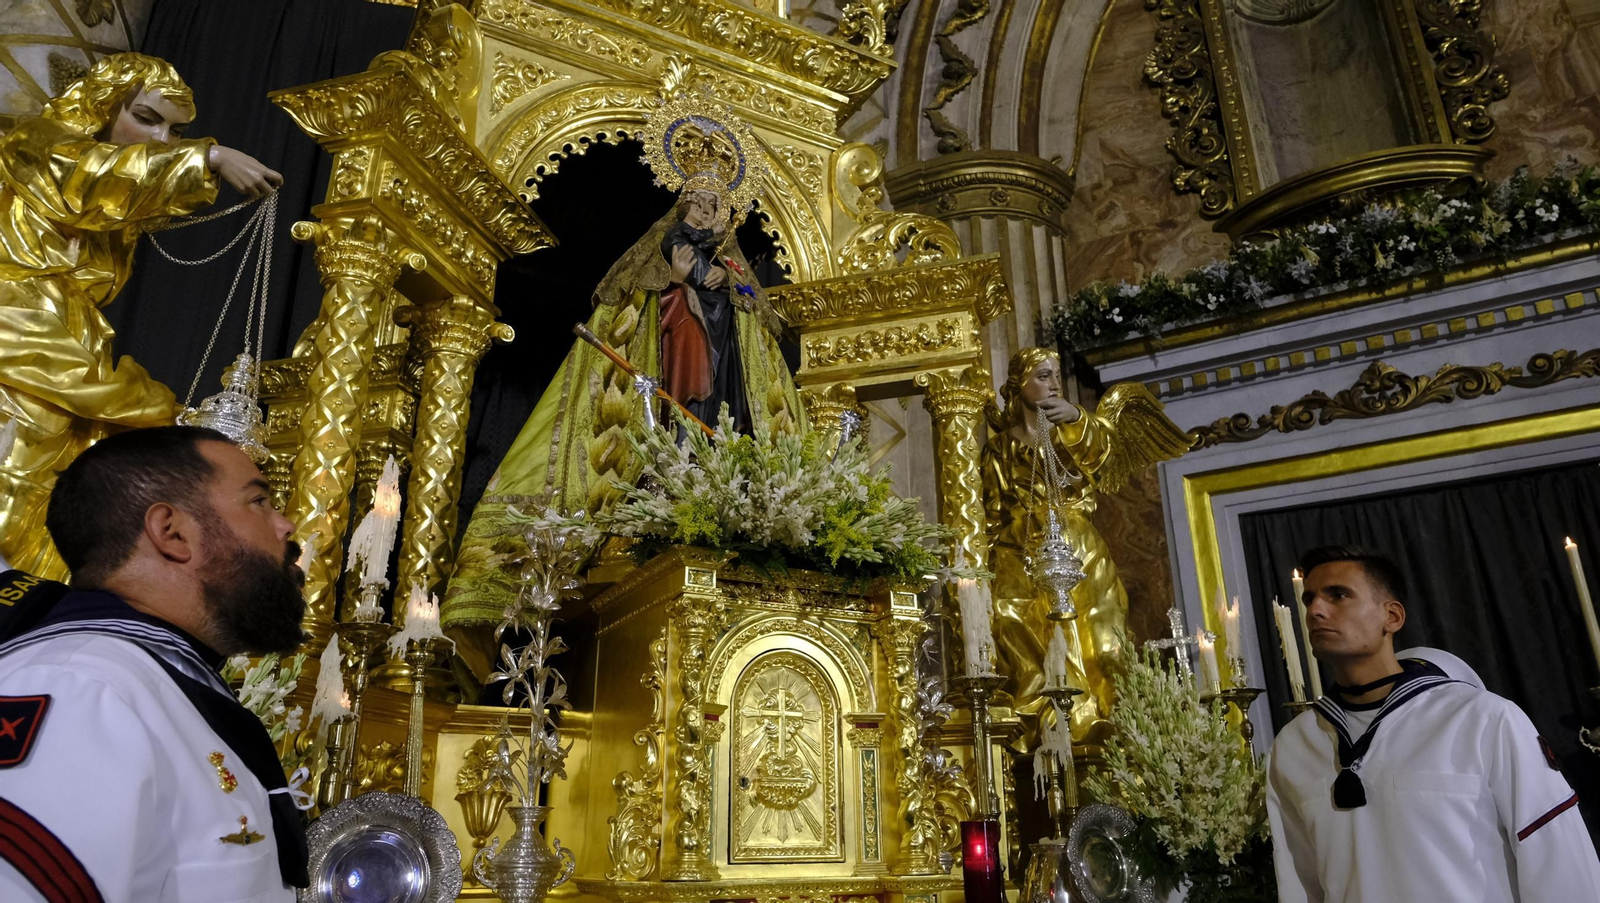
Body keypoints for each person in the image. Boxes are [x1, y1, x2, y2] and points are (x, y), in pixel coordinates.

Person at [443, 101, 802, 678]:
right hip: (677, 355)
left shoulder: (733, 266)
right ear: (683, 206)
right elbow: (662, 289)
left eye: (715, 205)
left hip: (725, 373)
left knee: (720, 418)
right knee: (679, 411)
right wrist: (691, 282)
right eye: (697, 203)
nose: (705, 211)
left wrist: (729, 287)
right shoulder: (668, 250)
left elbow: (761, 322)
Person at [0, 53, 283, 581]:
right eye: (146, 119)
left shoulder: (111, 212)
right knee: (14, 477)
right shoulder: (38, 141)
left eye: (174, 132)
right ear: (102, 107)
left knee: (58, 496)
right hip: (19, 326)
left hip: (69, 336)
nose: (159, 142)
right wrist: (209, 158)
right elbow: (84, 177)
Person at [0, 427, 309, 902]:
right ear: (172, 532)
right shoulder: (82, 688)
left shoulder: (152, 684)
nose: (286, 526)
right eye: (259, 501)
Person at [1266, 545, 1600, 902]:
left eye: (1339, 595)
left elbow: (1557, 858)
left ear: (1392, 617)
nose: (1316, 610)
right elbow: (1298, 881)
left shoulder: (1482, 719)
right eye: (1309, 599)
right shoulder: (1293, 745)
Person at [979, 347, 1188, 745]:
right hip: (1020, 547)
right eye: (1043, 376)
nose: (1054, 384)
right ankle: (1043, 715)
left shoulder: (1077, 431)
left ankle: (1104, 719)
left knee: (1100, 636)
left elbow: (1100, 451)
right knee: (1012, 620)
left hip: (1076, 543)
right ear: (1018, 385)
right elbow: (992, 510)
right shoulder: (1000, 448)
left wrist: (1076, 419)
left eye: (1057, 375)